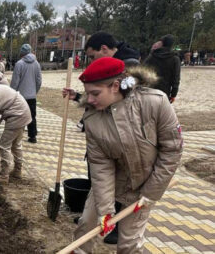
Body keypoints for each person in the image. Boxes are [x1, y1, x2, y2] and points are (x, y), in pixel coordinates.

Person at [71, 57, 182, 253]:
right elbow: (100, 165)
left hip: (145, 183)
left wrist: (151, 193)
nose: (89, 100)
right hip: (112, 179)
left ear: (115, 86)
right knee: (85, 228)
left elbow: (172, 150)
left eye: (95, 93)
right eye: (87, 94)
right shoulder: (92, 118)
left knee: (129, 242)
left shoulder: (155, 103)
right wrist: (105, 210)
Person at [10, 43, 42, 143]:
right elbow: (39, 80)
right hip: (32, 96)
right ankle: (33, 136)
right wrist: (34, 91)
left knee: (18, 116)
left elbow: (15, 81)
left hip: (20, 96)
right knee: (32, 116)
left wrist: (12, 93)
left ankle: (16, 136)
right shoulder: (36, 64)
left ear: (22, 53)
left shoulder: (19, 64)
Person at [144, 34, 181, 103]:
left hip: (150, 89)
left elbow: (142, 71)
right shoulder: (175, 59)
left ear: (162, 43)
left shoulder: (152, 56)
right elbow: (176, 78)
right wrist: (173, 94)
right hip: (165, 91)